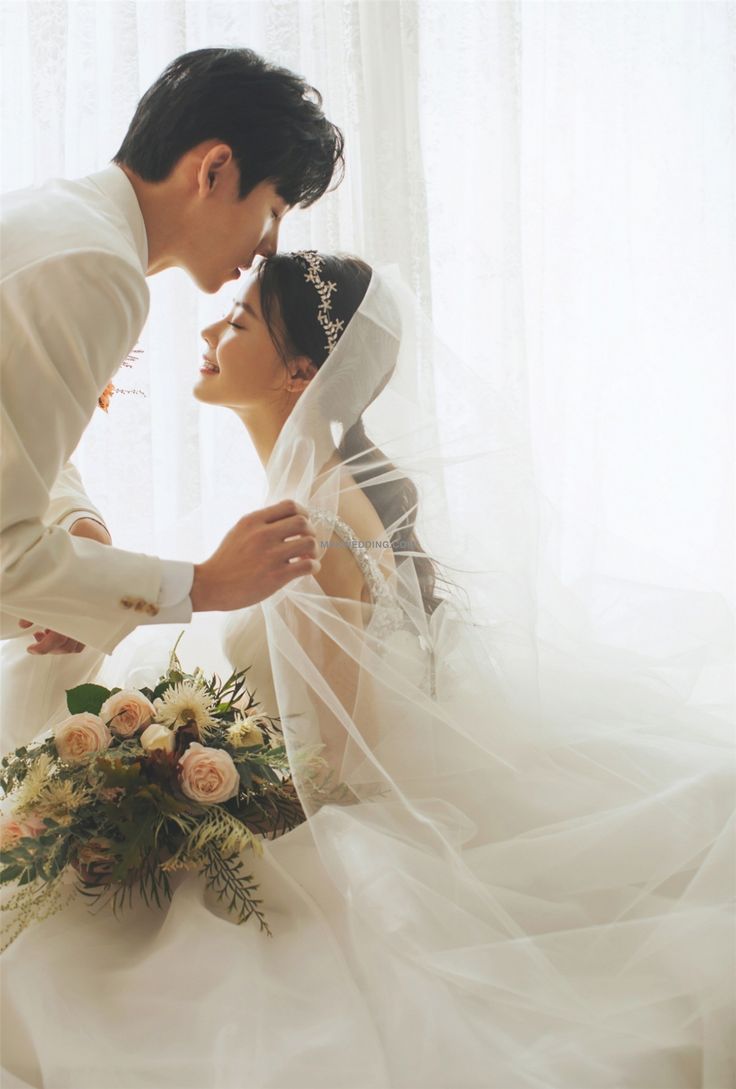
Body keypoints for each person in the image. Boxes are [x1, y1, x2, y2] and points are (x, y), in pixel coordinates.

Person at [1, 252, 732, 1089]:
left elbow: (345, 760)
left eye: (237, 322)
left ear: (299, 372)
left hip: (314, 832)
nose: (207, 329)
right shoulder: (312, 491)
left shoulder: (309, 515)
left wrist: (190, 786)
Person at [0, 47, 345, 680]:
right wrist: (206, 585)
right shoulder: (94, 269)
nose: (270, 246)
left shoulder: (56, 220)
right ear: (214, 169)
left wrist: (77, 522)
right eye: (272, 211)